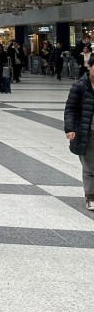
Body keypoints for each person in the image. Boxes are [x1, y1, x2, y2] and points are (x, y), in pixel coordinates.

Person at [63, 54, 94, 211]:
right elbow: (70, 109)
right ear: (89, 67)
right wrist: (69, 128)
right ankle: (90, 196)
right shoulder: (80, 86)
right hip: (87, 132)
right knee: (89, 167)